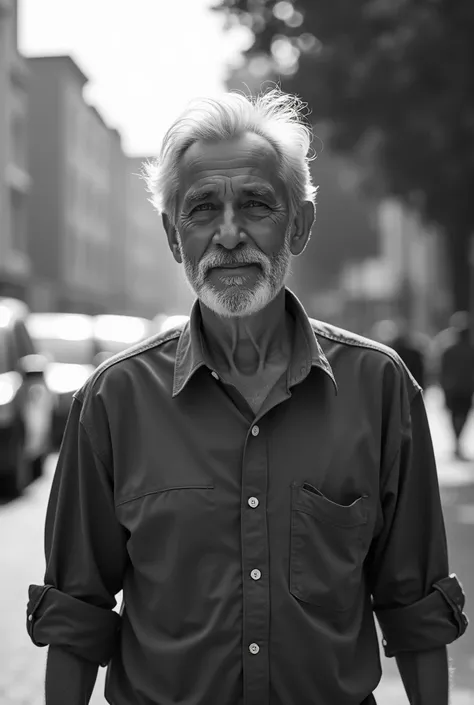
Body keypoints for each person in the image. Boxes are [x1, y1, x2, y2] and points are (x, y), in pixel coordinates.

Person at [26, 90, 467, 705]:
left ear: (301, 224)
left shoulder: (380, 387)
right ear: (174, 237)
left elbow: (415, 607)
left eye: (257, 203)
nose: (228, 234)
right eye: (202, 209)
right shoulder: (114, 398)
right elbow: (76, 616)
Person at [438, 314, 474, 459]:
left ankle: (457, 441)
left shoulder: (451, 350)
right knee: (461, 415)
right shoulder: (466, 350)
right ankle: (457, 442)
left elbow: (441, 370)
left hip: (455, 387)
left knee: (457, 415)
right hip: (462, 387)